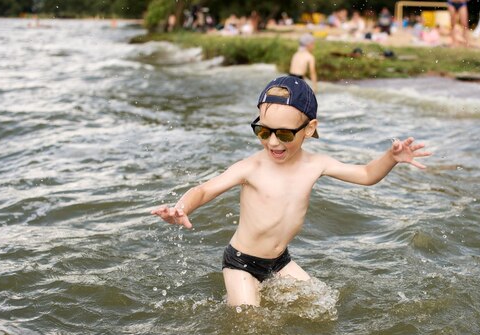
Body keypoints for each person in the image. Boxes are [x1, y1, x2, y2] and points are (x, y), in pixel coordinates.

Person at [151, 76, 431, 307]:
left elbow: (367, 175)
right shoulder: (251, 167)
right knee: (251, 327)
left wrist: (391, 158)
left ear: (309, 129)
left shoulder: (316, 164)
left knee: (324, 305)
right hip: (242, 262)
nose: (273, 142)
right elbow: (204, 189)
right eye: (263, 132)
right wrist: (182, 207)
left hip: (280, 260)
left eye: (284, 134)